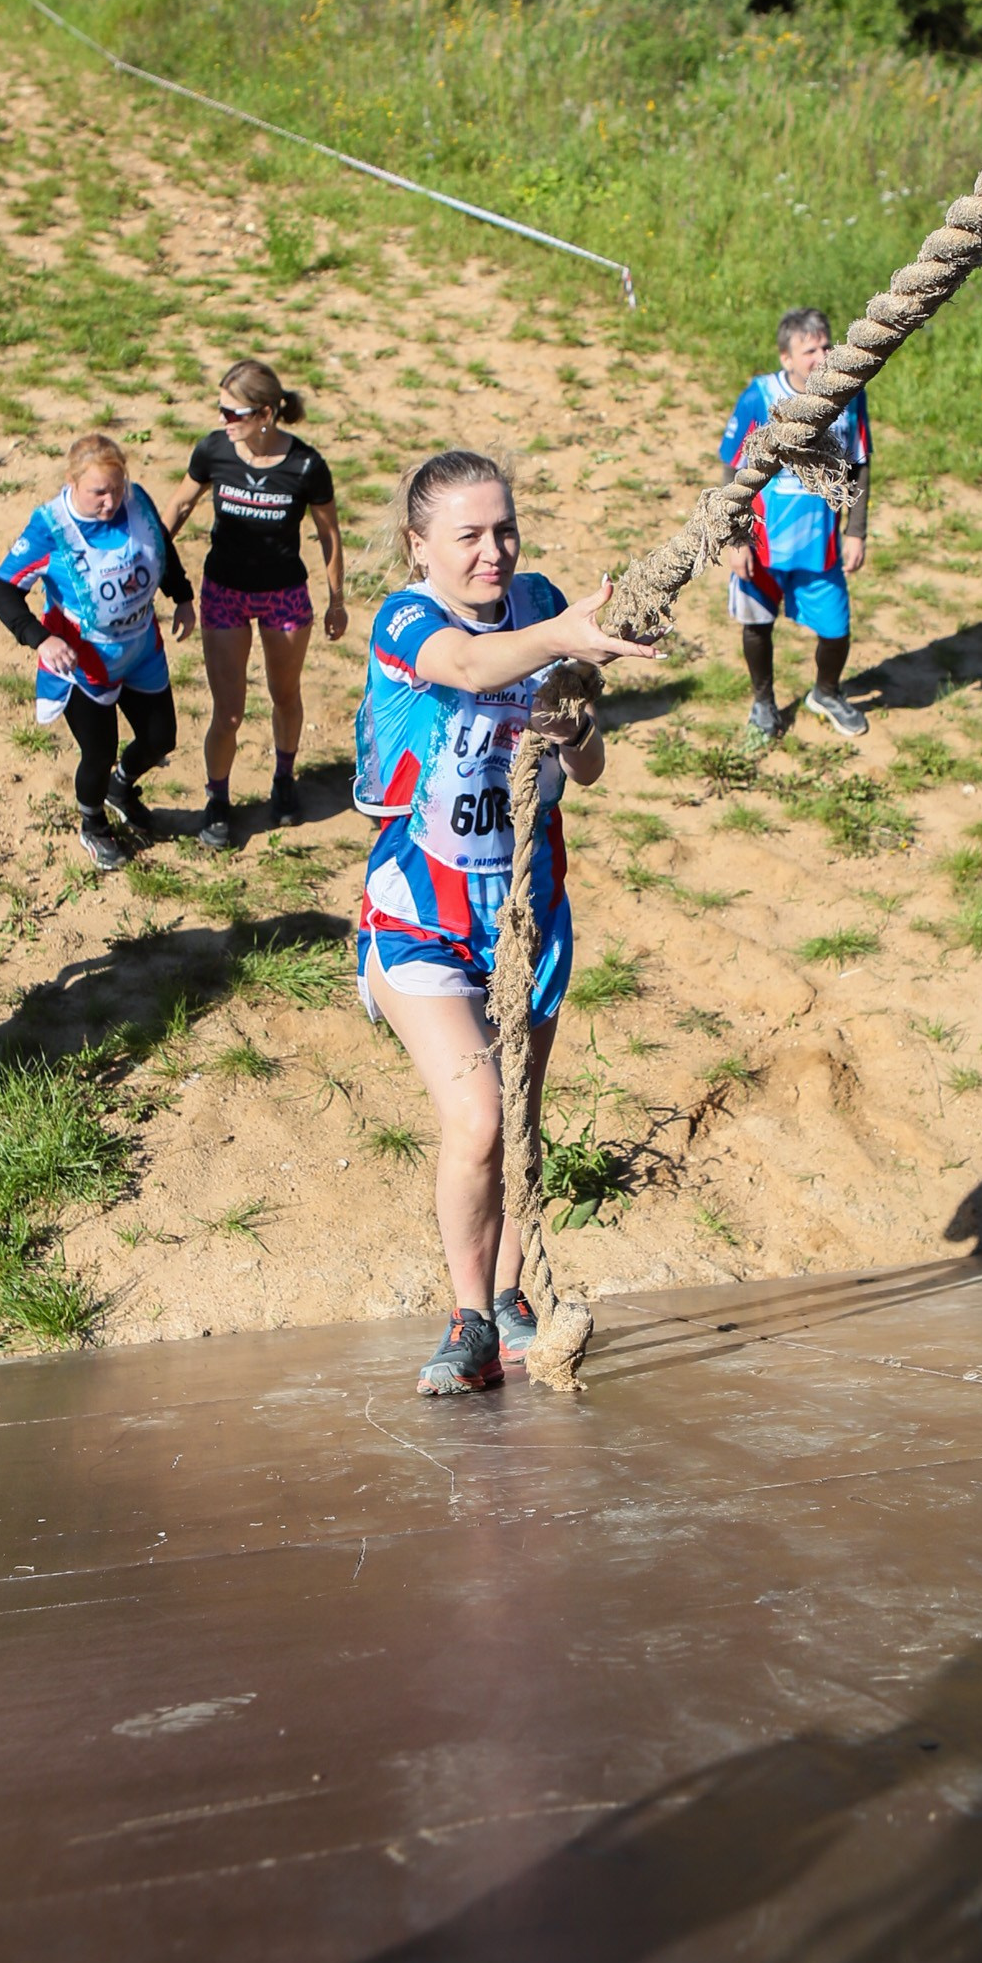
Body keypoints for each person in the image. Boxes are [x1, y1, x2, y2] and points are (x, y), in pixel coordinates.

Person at [353, 449, 656, 1397]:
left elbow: (589, 767)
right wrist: (567, 636)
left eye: (505, 530)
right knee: (478, 1116)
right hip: (422, 913)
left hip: (527, 909)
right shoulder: (408, 619)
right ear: (420, 546)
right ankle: (468, 1316)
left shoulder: (543, 603)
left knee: (519, 1120)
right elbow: (470, 665)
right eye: (469, 536)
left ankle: (512, 1297)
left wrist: (575, 728)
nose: (494, 552)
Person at [159, 362, 346, 850]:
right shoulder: (214, 450)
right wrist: (147, 562)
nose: (222, 420)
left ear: (265, 414)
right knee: (228, 713)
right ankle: (218, 800)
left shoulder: (305, 466)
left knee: (285, 695)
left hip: (284, 596)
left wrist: (337, 600)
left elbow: (329, 533)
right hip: (225, 593)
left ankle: (284, 779)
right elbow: (179, 506)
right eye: (220, 409)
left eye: (232, 412)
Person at [0, 432, 195, 871]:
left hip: (141, 648)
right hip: (85, 662)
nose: (111, 501)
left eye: (117, 487)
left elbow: (159, 543)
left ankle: (121, 787)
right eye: (99, 492)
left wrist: (181, 595)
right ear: (72, 482)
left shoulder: (135, 501)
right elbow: (2, 589)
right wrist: (41, 639)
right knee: (99, 753)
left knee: (161, 739)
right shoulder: (50, 527)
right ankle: (94, 823)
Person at [719, 306, 871, 743]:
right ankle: (763, 702)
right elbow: (731, 469)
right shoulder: (760, 396)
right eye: (809, 351)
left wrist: (856, 531)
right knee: (757, 625)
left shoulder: (850, 396)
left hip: (819, 546)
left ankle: (826, 692)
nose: (821, 357)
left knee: (836, 630)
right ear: (786, 358)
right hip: (762, 544)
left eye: (825, 346)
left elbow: (860, 465)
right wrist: (735, 537)